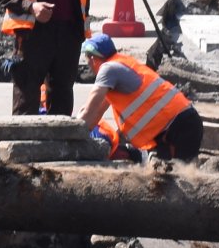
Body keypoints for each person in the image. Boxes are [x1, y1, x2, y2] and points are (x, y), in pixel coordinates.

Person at [78, 30, 202, 162]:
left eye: (87, 58)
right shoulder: (120, 64)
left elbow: (88, 111)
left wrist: (70, 134)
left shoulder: (108, 70)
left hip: (179, 128)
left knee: (176, 172)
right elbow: (96, 112)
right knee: (171, 170)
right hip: (181, 125)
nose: (88, 64)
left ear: (93, 58)